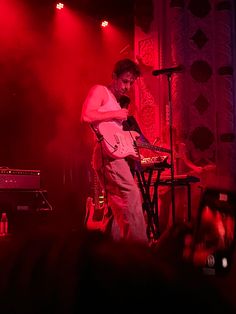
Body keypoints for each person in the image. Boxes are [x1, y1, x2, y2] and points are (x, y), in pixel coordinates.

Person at [81, 58, 148, 244]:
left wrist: (132, 149)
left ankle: (111, 254)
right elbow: (86, 115)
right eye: (125, 81)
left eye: (131, 83)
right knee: (133, 196)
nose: (128, 87)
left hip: (112, 155)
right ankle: (139, 251)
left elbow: (115, 136)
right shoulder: (100, 91)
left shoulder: (119, 103)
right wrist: (116, 114)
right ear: (114, 77)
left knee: (118, 205)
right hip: (106, 155)